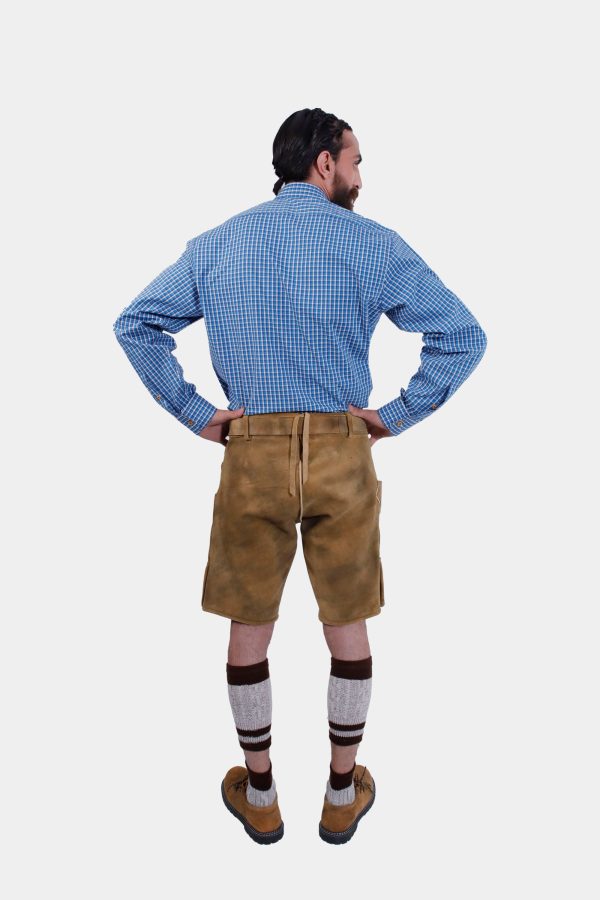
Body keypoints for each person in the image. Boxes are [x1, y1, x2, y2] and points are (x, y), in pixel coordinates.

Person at [113, 107, 487, 845]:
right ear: (323, 163)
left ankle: (259, 794)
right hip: (343, 451)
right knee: (345, 622)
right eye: (354, 160)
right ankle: (342, 792)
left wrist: (196, 413)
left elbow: (136, 323)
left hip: (251, 450)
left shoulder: (220, 243)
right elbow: (462, 335)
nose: (358, 175)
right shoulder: (371, 244)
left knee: (249, 626)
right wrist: (393, 416)